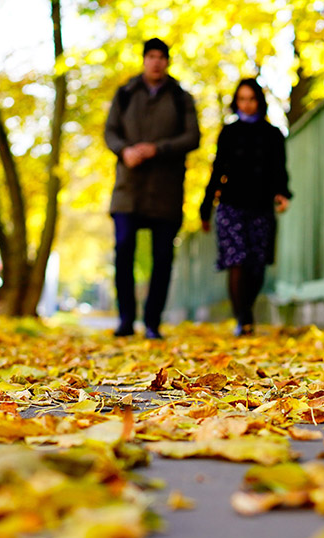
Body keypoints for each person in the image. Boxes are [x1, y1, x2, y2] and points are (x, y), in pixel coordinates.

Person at [104, 38, 200, 339]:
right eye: (151, 56)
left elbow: (193, 137)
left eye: (161, 57)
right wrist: (125, 151)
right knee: (123, 250)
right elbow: (110, 132)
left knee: (163, 257)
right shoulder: (125, 93)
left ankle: (152, 322)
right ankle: (126, 319)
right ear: (144, 60)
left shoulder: (181, 97)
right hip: (128, 189)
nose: (156, 62)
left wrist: (158, 149)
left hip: (166, 190)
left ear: (167, 62)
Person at [199, 78, 291, 336]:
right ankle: (243, 318)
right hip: (231, 205)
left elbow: (279, 169)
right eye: (242, 99)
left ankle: (246, 310)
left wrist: (282, 193)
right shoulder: (229, 133)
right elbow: (217, 170)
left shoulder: (273, 134)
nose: (247, 104)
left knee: (257, 265)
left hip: (261, 206)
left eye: (251, 99)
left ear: (259, 101)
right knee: (237, 261)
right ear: (236, 102)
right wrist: (206, 206)